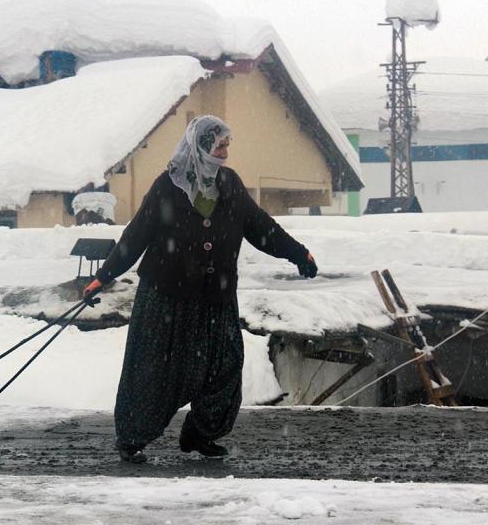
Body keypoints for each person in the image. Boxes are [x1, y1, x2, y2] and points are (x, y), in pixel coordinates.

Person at [83, 115, 318, 463]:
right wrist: (104, 275)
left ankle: (200, 434)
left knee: (224, 367)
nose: (224, 152)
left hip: (215, 299)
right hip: (166, 298)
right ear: (201, 146)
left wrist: (298, 253)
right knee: (155, 371)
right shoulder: (168, 185)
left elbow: (261, 228)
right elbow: (137, 235)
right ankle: (132, 437)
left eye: (226, 145)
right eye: (219, 145)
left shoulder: (230, 184)